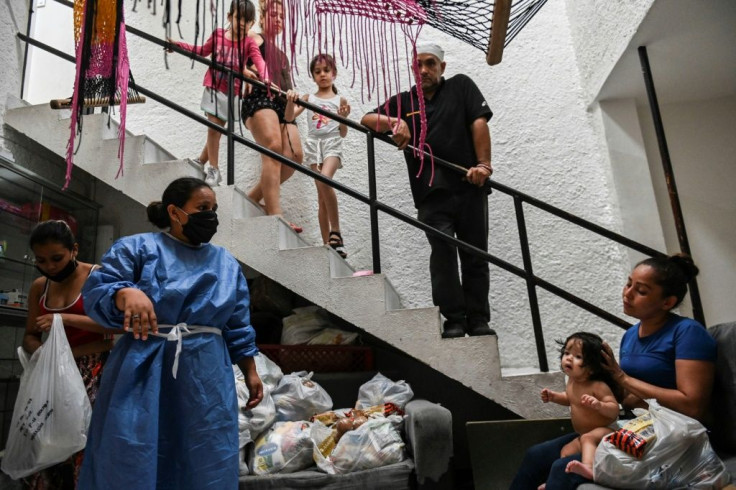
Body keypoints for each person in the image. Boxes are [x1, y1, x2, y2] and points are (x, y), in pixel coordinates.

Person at [77, 177, 264, 490]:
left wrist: (251, 370)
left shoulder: (226, 264)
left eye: (214, 209)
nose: (211, 215)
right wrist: (124, 292)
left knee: (203, 450)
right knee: (132, 446)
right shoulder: (137, 249)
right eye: (202, 208)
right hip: (142, 367)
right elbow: (99, 290)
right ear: (175, 212)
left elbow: (237, 322)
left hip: (206, 373)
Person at [510, 254, 717, 489]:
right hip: (634, 425)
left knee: (563, 468)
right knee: (537, 454)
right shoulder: (631, 335)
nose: (627, 293)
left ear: (667, 302)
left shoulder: (688, 332)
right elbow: (625, 394)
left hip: (670, 437)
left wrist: (622, 378)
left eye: (641, 291)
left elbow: (692, 406)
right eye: (629, 283)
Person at [359, 41, 495, 338]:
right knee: (443, 256)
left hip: (469, 187)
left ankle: (479, 320)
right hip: (431, 194)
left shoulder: (460, 86)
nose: (424, 70)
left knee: (476, 256)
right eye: (418, 64)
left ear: (442, 67)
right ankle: (455, 320)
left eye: (430, 63)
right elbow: (367, 119)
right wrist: (394, 121)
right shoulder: (405, 102)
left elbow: (479, 122)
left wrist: (483, 165)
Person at [21, 220, 117, 489]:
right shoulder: (40, 286)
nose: (49, 267)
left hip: (95, 371)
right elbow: (30, 334)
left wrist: (65, 318)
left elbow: (116, 326)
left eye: (57, 258)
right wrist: (44, 355)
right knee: (46, 442)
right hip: (52, 373)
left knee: (84, 443)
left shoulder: (97, 277)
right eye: (41, 260)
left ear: (74, 250)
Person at [168, 0, 267, 187]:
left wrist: (266, 78)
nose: (242, 24)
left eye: (247, 21)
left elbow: (260, 62)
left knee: (217, 131)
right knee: (213, 129)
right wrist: (178, 46)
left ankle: (202, 161)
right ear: (230, 17)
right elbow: (202, 51)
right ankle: (214, 169)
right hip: (213, 88)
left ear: (252, 23)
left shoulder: (248, 44)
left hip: (232, 92)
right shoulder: (218, 36)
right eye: (239, 18)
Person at [242, 0, 304, 232]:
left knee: (295, 156)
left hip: (282, 106)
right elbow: (227, 52)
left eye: (282, 17)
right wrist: (244, 70)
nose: (279, 20)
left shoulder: (282, 55)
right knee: (273, 147)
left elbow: (286, 87)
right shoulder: (253, 38)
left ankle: (252, 197)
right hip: (259, 99)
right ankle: (275, 215)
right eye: (274, 15)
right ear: (263, 16)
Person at [287, 53, 351, 257]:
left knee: (325, 180)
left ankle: (336, 232)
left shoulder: (339, 99)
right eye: (317, 71)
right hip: (314, 145)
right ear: (313, 76)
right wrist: (290, 101)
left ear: (334, 73)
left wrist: (343, 118)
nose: (322, 74)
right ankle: (329, 247)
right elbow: (288, 117)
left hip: (332, 143)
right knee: (322, 197)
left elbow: (343, 132)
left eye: (326, 70)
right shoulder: (308, 98)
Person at [538, 332, 620, 487]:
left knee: (587, 438)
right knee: (565, 451)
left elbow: (614, 409)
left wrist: (599, 405)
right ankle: (552, 482)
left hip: (606, 431)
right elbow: (570, 399)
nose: (569, 358)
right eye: (567, 353)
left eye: (578, 357)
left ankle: (589, 469)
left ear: (592, 367)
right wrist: (554, 396)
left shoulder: (597, 386)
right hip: (583, 434)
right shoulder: (572, 381)